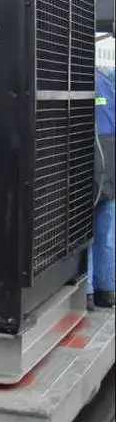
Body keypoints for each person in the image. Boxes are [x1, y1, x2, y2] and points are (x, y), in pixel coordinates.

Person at [88, 63, 115, 310]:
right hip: (108, 161)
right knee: (105, 231)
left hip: (85, 157)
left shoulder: (82, 77)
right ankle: (105, 291)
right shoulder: (107, 80)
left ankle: (86, 291)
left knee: (81, 231)